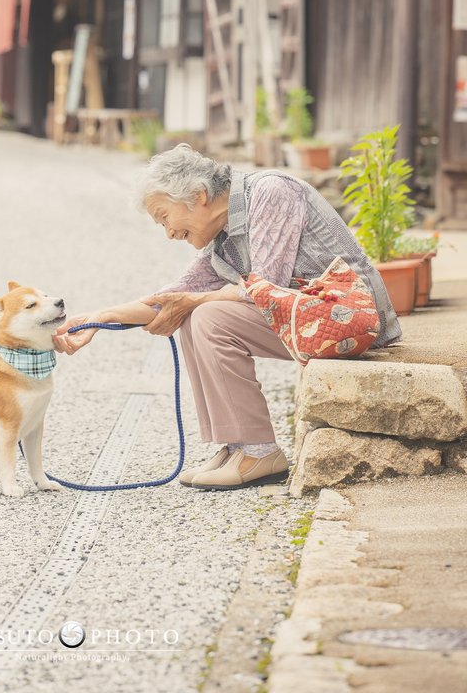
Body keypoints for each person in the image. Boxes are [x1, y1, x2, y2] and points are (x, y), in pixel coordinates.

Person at [54, 144, 401, 492]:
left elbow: (266, 285)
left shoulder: (271, 191)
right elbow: (172, 297)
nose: (169, 233)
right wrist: (96, 319)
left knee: (209, 316)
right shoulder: (223, 238)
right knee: (197, 312)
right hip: (311, 323)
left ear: (198, 195)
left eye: (164, 217)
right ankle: (238, 446)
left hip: (352, 322)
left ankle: (259, 451)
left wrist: (194, 301)